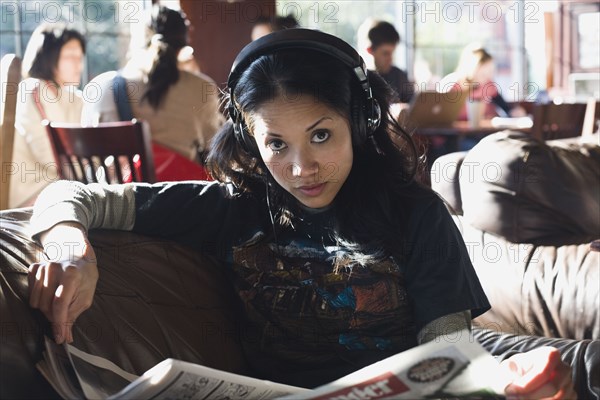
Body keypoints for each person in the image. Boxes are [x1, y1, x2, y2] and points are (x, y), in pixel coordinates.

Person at [28, 29, 574, 397]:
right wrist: (69, 245)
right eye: (276, 144)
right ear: (250, 140)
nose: (301, 166)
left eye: (320, 135)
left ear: (358, 124)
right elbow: (67, 194)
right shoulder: (232, 208)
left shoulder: (416, 216)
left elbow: (449, 358)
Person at [81, 5, 223, 169]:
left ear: (136, 42)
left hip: (118, 193)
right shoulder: (201, 87)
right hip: (181, 193)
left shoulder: (101, 87)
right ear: (183, 45)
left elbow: (88, 157)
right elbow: (215, 147)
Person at [9, 23, 85, 208]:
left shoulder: (73, 97)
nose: (79, 64)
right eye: (70, 56)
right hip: (32, 192)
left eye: (80, 57)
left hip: (56, 187)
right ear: (49, 57)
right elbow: (51, 155)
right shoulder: (36, 89)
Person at [439, 43, 527, 120]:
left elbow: (506, 108)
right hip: (457, 133)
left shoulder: (489, 85)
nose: (488, 76)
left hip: (482, 130)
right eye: (484, 72)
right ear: (472, 68)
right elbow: (441, 113)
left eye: (490, 71)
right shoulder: (453, 84)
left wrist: (514, 112)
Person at [358, 19, 415, 103]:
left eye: (392, 52)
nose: (390, 58)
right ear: (369, 50)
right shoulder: (359, 79)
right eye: (385, 53)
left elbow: (412, 105)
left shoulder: (399, 76)